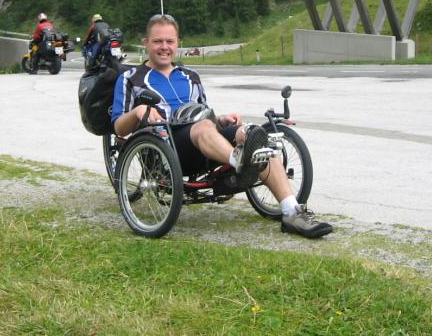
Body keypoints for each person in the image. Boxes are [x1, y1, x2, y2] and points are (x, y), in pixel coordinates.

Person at [111, 14, 332, 238]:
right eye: (158, 41)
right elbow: (119, 128)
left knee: (255, 135)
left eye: (170, 41)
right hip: (168, 147)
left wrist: (222, 119)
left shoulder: (190, 76)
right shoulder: (130, 79)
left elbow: (202, 112)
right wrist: (138, 111)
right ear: (145, 43)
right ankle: (242, 163)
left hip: (205, 138)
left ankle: (292, 212)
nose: (164, 47)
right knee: (202, 128)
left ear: (178, 43)